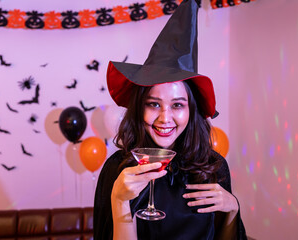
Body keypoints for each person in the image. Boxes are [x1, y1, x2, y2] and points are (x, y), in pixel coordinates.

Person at [94, 0, 247, 239]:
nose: (165, 118)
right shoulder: (118, 168)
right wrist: (119, 201)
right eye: (153, 104)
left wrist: (232, 209)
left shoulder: (213, 166)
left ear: (191, 111)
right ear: (139, 108)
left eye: (177, 105)